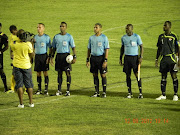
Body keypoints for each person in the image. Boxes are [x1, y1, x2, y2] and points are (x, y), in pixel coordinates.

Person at [155, 21, 180, 101]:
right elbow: (159, 49)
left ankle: (175, 95)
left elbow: (178, 48)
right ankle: (163, 94)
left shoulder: (174, 36)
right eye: (164, 25)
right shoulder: (160, 37)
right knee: (163, 76)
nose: (163, 26)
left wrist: (178, 59)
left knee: (174, 76)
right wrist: (156, 59)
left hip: (171, 59)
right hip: (163, 59)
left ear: (169, 27)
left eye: (165, 25)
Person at [51, 22, 76, 96]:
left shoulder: (69, 36)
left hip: (66, 57)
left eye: (63, 26)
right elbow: (54, 48)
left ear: (66, 27)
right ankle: (59, 90)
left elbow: (73, 47)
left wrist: (74, 57)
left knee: (67, 73)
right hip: (59, 56)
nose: (61, 27)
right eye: (60, 26)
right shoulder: (56, 37)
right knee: (59, 73)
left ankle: (68, 90)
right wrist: (51, 57)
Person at [11, 29, 34, 108]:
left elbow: (12, 47)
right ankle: (31, 103)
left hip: (17, 66)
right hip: (26, 66)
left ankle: (21, 104)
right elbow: (32, 55)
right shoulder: (28, 44)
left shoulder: (14, 43)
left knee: (19, 85)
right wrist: (32, 44)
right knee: (29, 85)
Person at [120, 24, 144, 99]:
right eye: (126, 28)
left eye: (128, 28)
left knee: (137, 74)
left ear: (131, 29)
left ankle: (140, 93)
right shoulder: (123, 37)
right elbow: (122, 48)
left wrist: (141, 57)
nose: (126, 29)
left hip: (134, 58)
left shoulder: (137, 37)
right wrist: (120, 58)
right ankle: (129, 92)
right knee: (128, 75)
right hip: (127, 58)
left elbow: (141, 46)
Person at [86, 23, 109, 98]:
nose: (94, 29)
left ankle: (104, 92)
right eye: (94, 27)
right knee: (95, 74)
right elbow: (89, 49)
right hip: (93, 58)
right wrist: (87, 59)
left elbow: (106, 49)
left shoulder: (104, 37)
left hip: (101, 58)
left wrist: (105, 60)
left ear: (100, 29)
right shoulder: (91, 38)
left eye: (96, 27)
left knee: (103, 75)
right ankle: (96, 92)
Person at [34, 23, 52, 95]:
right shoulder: (35, 37)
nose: (38, 28)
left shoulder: (47, 37)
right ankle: (39, 89)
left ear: (43, 28)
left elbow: (50, 48)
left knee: (45, 72)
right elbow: (33, 47)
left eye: (40, 27)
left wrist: (49, 57)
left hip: (44, 56)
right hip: (37, 56)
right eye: (37, 27)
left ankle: (46, 89)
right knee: (38, 73)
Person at [8, 25, 19, 93]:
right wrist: (11, 54)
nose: (13, 33)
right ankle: (12, 88)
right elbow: (11, 46)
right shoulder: (11, 36)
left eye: (13, 32)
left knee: (22, 74)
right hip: (14, 57)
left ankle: (25, 89)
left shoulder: (20, 36)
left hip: (20, 57)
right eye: (11, 32)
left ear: (16, 30)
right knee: (14, 73)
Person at [0, 23, 8, 92]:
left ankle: (5, 87)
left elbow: (7, 46)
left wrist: (1, 51)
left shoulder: (3, 36)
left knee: (1, 70)